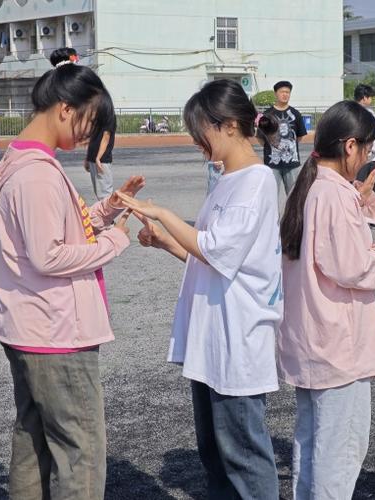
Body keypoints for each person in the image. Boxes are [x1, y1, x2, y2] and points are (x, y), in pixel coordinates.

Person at [0, 47, 145, 499]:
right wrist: (115, 239)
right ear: (65, 109)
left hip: (29, 326)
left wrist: (108, 209)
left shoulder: (23, 162)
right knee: (81, 449)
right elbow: (48, 255)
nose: (91, 133)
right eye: (90, 122)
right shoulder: (36, 174)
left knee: (33, 438)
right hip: (55, 332)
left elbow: (58, 228)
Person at [120, 79, 282, 499]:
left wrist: (163, 213)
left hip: (238, 335)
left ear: (229, 126)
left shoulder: (257, 179)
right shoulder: (227, 179)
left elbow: (215, 249)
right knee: (214, 453)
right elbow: (210, 255)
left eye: (201, 133)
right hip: (213, 333)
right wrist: (164, 239)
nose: (197, 143)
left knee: (243, 454)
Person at [278, 100, 375, 498]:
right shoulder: (332, 194)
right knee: (341, 451)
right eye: (366, 148)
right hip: (337, 345)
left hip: (312, 339)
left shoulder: (313, 187)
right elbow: (355, 268)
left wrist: (360, 199)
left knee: (313, 444)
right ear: (351, 146)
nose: (367, 157)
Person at [262, 80, 307, 201]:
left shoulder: (295, 114)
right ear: (276, 93)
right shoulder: (267, 114)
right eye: (282, 92)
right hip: (272, 165)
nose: (285, 94)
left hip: (292, 164)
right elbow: (261, 138)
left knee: (294, 198)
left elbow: (300, 136)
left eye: (288, 92)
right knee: (270, 198)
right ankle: (273, 220)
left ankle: (292, 220)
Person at [354, 83, 375, 195]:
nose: (371, 99)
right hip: (368, 157)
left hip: (359, 156)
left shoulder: (350, 111)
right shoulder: (367, 112)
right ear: (365, 97)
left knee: (358, 186)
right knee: (371, 189)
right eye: (370, 97)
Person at [84, 113, 116, 200]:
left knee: (105, 194)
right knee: (100, 193)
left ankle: (110, 213)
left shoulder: (109, 115)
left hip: (102, 160)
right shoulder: (94, 116)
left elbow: (106, 137)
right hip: (93, 159)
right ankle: (105, 213)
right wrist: (87, 157)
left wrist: (98, 157)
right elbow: (91, 137)